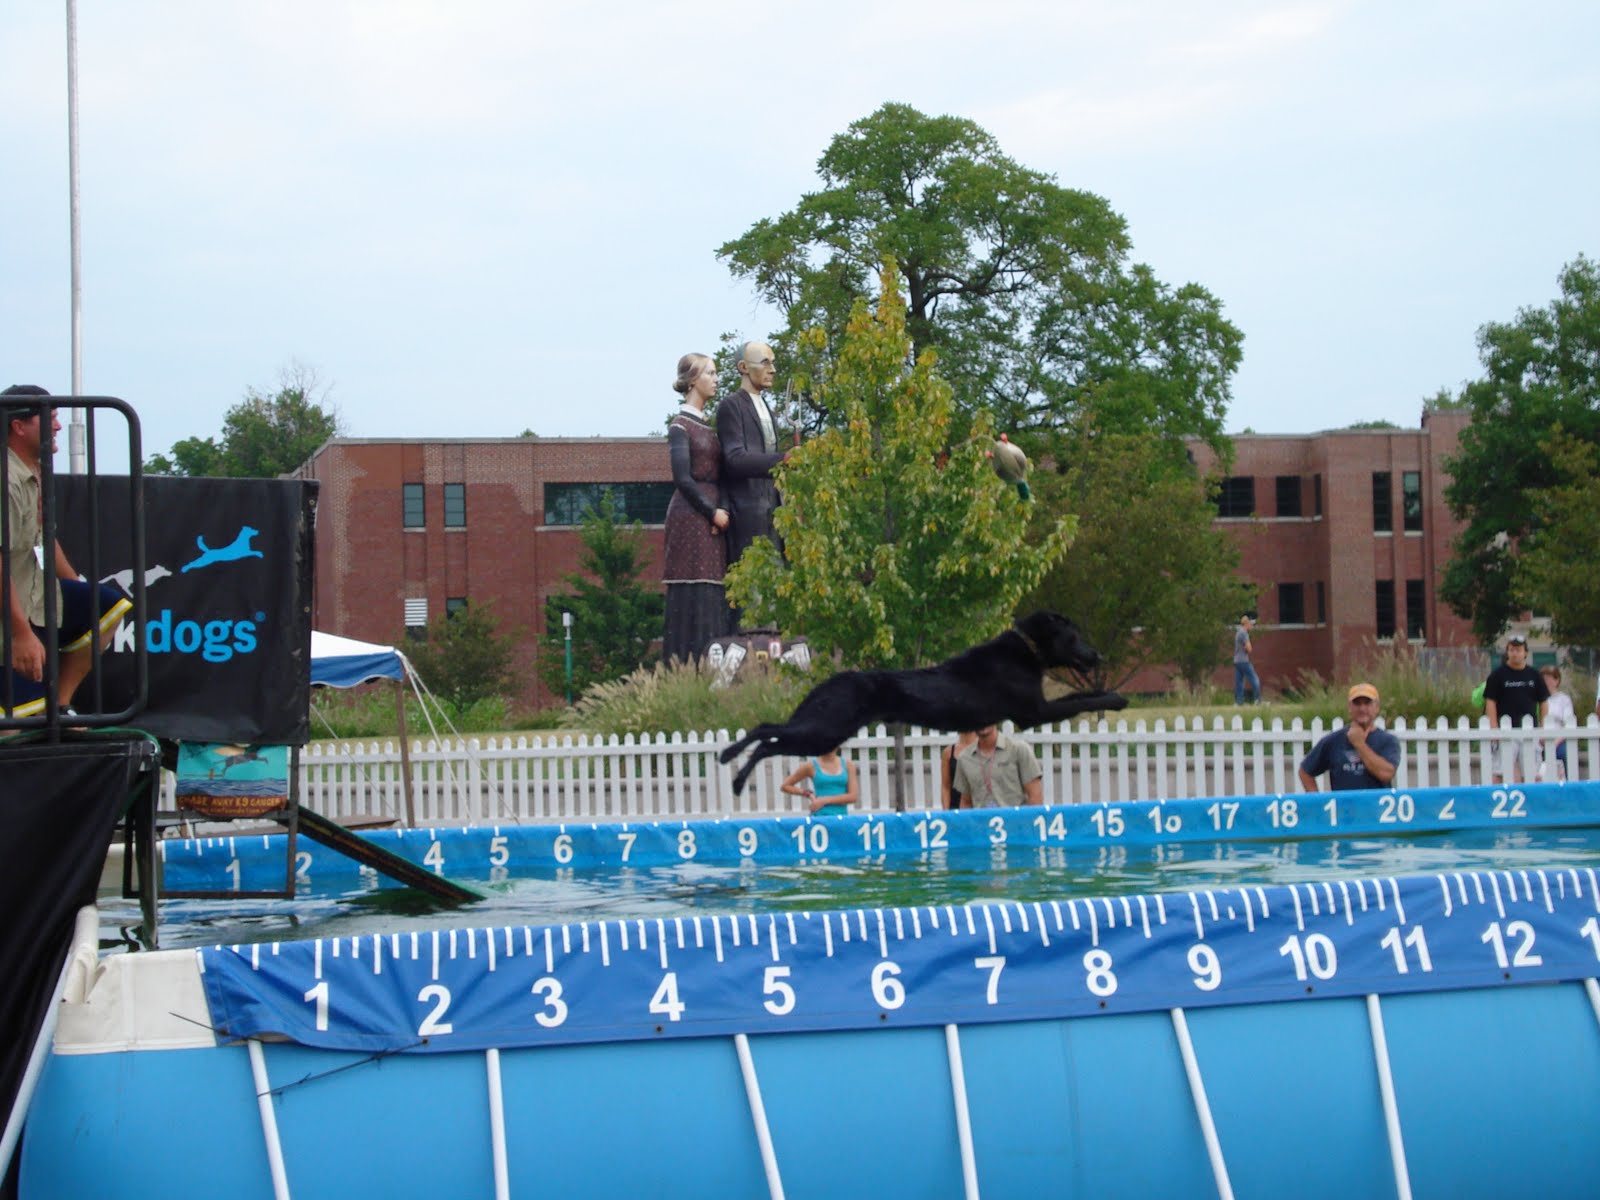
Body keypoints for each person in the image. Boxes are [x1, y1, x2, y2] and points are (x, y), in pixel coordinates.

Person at [3, 386, 131, 718]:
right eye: (50, 418)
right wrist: (20, 633)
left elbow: (44, 538)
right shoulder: (7, 478)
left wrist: (77, 588)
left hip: (33, 600)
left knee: (105, 607)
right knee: (17, 726)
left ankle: (60, 707)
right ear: (19, 426)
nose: (57, 426)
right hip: (8, 611)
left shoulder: (32, 469)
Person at [661, 353, 732, 663]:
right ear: (692, 380)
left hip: (713, 513)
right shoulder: (680, 426)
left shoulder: (709, 426)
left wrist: (723, 510)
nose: (716, 379)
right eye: (710, 373)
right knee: (694, 588)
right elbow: (682, 478)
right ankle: (685, 665)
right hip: (690, 516)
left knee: (715, 586)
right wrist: (711, 511)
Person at [716, 341, 786, 585]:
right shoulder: (731, 406)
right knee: (751, 596)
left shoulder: (768, 407)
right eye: (765, 362)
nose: (773, 369)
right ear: (743, 367)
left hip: (774, 512)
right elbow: (734, 459)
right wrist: (783, 460)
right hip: (747, 514)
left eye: (773, 362)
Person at [1297, 683, 1402, 791]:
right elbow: (1305, 772)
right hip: (1344, 807)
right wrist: (1319, 803)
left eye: (1367, 703)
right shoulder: (1333, 741)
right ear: (1350, 708)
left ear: (1377, 707)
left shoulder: (1388, 741)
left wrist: (1359, 744)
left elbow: (1386, 774)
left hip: (1377, 807)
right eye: (1357, 704)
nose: (1362, 709)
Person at [1483, 634, 1548, 784]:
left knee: (1532, 774)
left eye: (1518, 650)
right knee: (1499, 773)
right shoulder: (1497, 675)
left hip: (1529, 731)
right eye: (1511, 650)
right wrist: (1494, 728)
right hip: (1506, 731)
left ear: (1525, 653)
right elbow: (1490, 702)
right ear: (1507, 652)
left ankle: (1532, 803)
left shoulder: (1534, 675)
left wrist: (1543, 728)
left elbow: (1543, 702)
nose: (1515, 653)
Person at [951, 724, 1043, 808]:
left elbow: (1035, 795)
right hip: (981, 824)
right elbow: (966, 802)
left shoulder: (1018, 749)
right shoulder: (964, 758)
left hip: (1015, 823)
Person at [780, 746, 859, 816]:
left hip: (841, 818)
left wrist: (824, 800)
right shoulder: (811, 766)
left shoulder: (848, 765)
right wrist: (808, 794)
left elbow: (853, 796)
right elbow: (785, 786)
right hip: (819, 816)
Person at [1539, 664, 1575, 780]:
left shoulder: (1564, 699)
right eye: (1545, 679)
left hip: (1559, 740)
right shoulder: (1537, 699)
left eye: (1551, 679)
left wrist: (1556, 742)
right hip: (1539, 739)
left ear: (1557, 680)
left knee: (1564, 753)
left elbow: (1568, 724)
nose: (1548, 682)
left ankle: (1569, 783)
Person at [941, 730, 978, 809]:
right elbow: (945, 786)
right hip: (955, 811)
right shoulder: (948, 752)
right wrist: (947, 814)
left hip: (979, 809)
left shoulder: (983, 749)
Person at [1233, 615, 1260, 704]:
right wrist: (1247, 648)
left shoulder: (1238, 632)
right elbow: (1249, 648)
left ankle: (1239, 701)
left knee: (1239, 681)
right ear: (1247, 624)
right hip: (1244, 661)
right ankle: (1257, 700)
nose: (1252, 626)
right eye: (1251, 624)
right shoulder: (1244, 633)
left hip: (1237, 661)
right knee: (1254, 679)